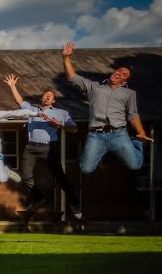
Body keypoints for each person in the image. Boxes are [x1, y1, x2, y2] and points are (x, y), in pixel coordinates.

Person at [62, 41, 152, 174]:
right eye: (119, 70)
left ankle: (136, 143)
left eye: (124, 74)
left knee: (135, 165)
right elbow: (72, 77)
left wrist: (142, 133)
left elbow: (133, 115)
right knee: (85, 169)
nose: (119, 73)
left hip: (118, 134)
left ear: (124, 81)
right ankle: (102, 155)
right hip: (96, 135)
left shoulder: (129, 93)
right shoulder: (95, 87)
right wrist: (66, 57)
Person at [4, 74, 81, 221]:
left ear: (53, 100)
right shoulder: (32, 110)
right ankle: (38, 198)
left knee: (60, 176)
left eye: (50, 96)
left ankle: (75, 203)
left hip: (49, 147)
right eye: (45, 95)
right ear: (41, 98)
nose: (47, 97)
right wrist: (13, 86)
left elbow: (74, 129)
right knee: (25, 174)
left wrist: (59, 124)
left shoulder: (61, 113)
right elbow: (20, 101)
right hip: (31, 147)